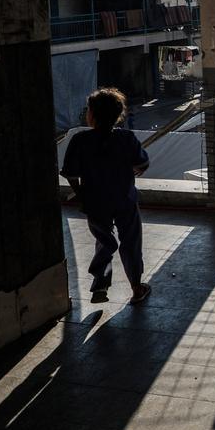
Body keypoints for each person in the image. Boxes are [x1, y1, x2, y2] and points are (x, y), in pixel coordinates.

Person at [60, 88, 152, 304]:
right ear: (118, 115)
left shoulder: (80, 140)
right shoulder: (126, 138)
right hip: (124, 198)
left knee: (104, 240)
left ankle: (101, 283)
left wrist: (81, 193)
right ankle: (137, 288)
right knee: (131, 242)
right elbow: (142, 163)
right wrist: (132, 171)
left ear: (91, 114)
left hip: (94, 201)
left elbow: (71, 173)